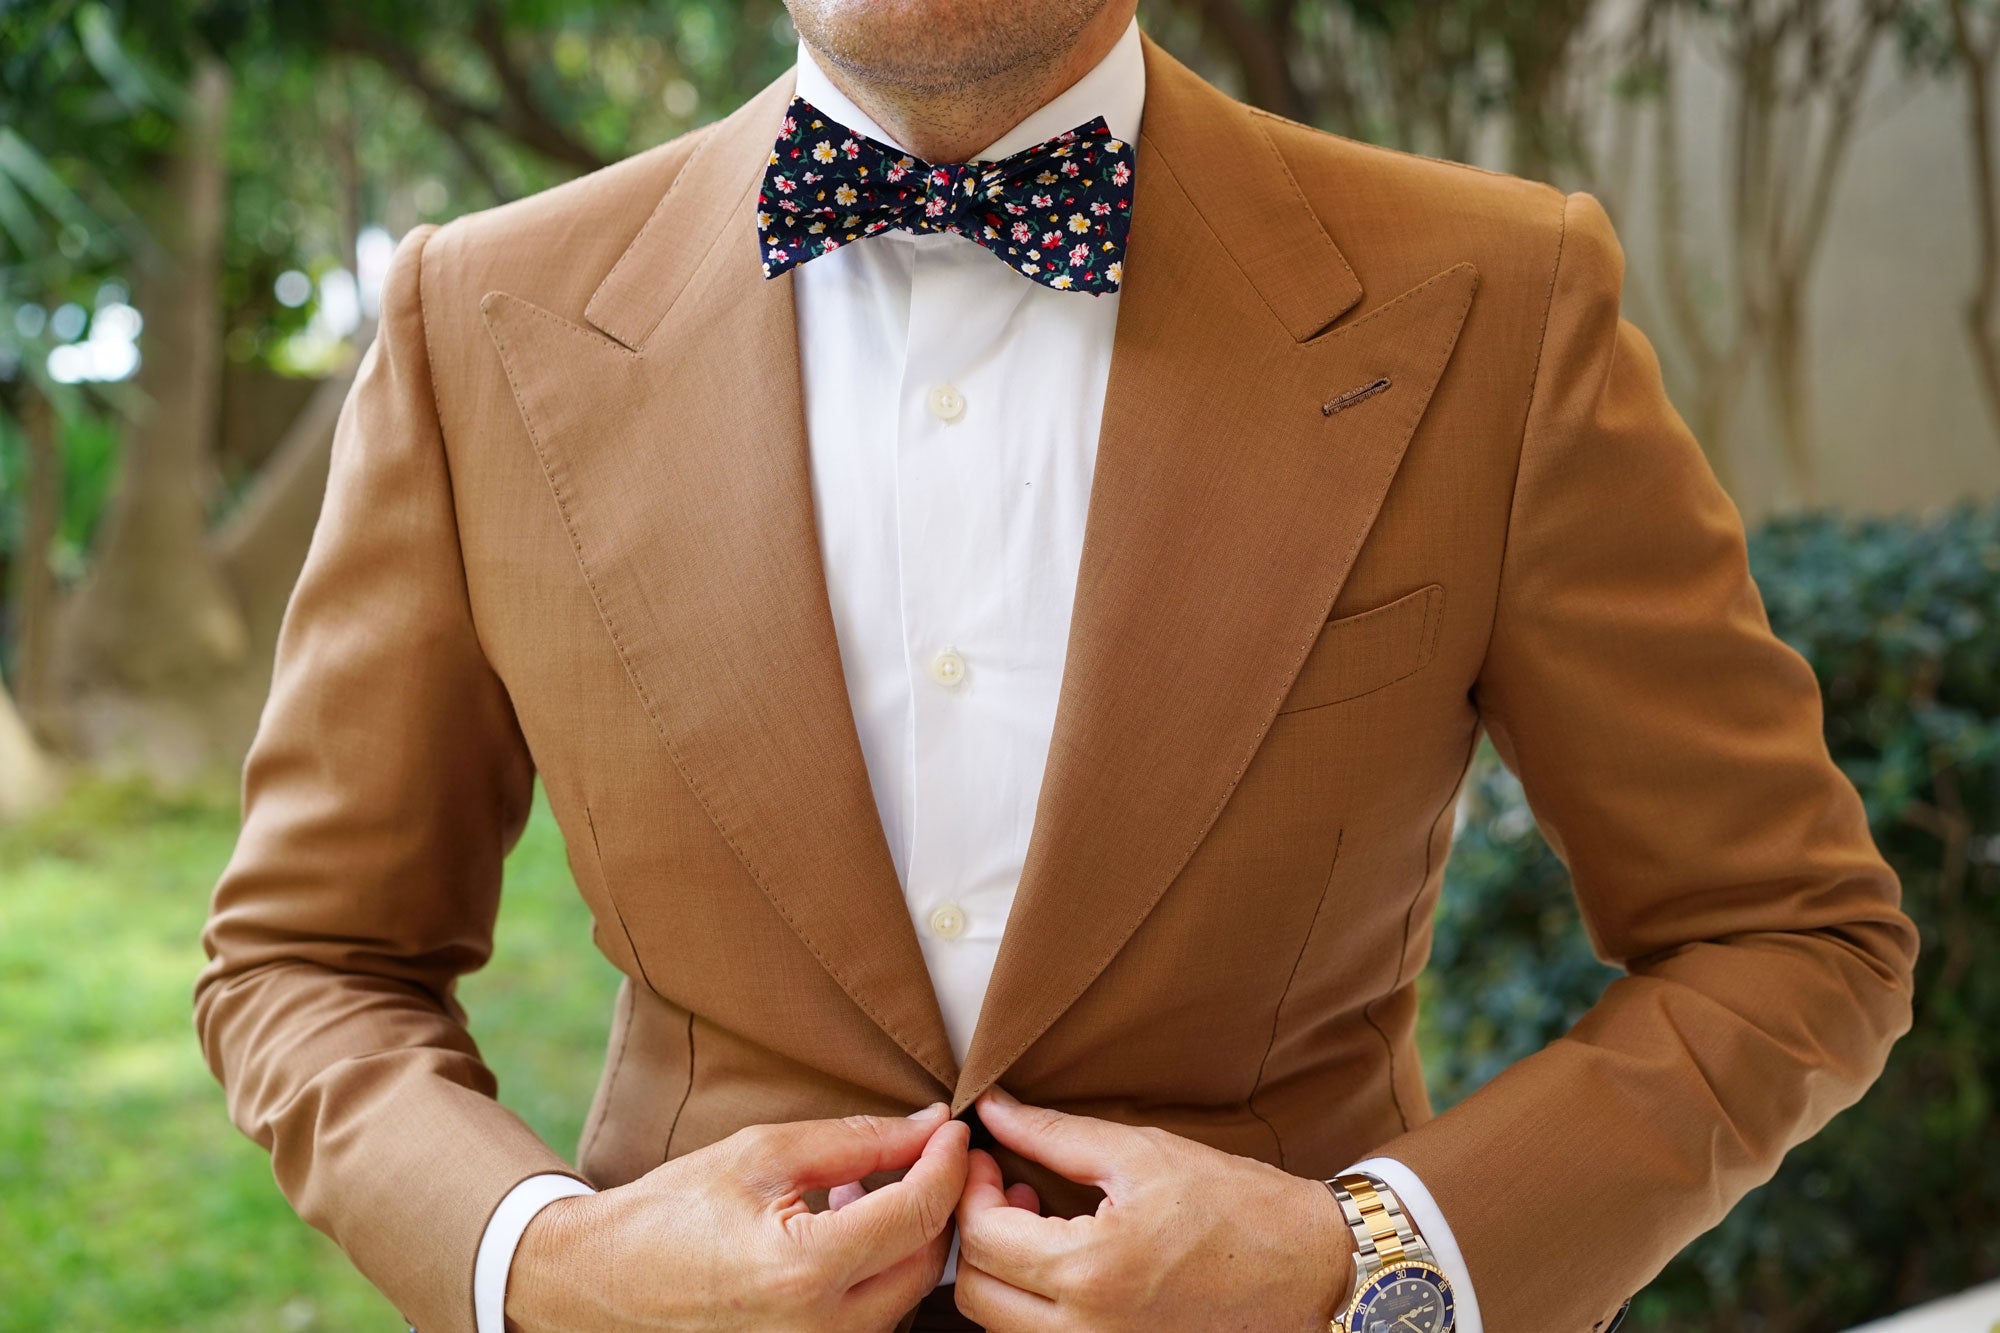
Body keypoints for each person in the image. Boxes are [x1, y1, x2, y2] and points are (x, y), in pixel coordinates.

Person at [193, 3, 1919, 1331]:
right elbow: (304, 961)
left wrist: (1362, 1256)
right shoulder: (474, 319)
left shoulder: (1496, 295)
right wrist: (548, 1266)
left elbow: (1791, 935)